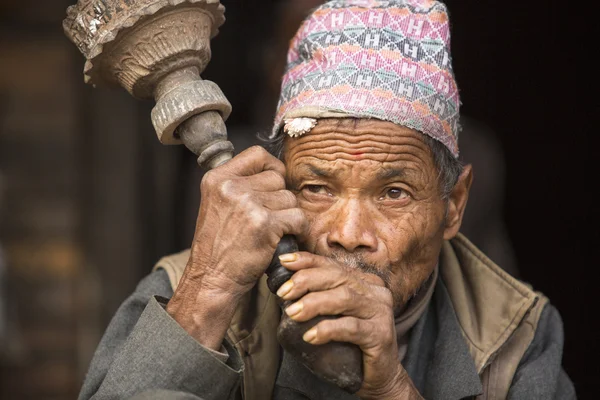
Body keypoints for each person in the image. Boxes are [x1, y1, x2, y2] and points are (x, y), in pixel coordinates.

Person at [79, 1, 575, 399]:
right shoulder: (185, 288)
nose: (349, 234)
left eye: (394, 193)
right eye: (316, 189)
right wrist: (210, 288)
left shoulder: (514, 334)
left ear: (453, 205)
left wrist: (389, 388)